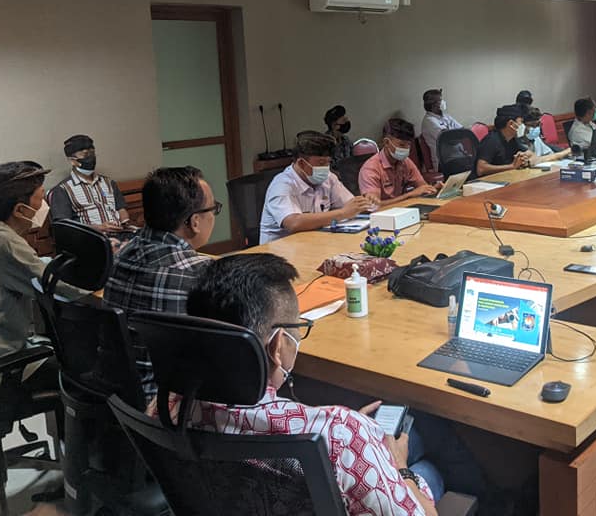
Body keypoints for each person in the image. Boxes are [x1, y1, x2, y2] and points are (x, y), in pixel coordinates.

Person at [174, 253, 450, 515]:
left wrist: (357, 437)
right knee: (430, 464)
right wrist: (400, 468)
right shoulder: (342, 432)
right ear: (279, 345)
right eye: (298, 328)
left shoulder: (168, 406)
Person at [103, 166, 217, 394]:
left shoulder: (122, 254)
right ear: (194, 222)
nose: (213, 216)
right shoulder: (200, 276)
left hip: (118, 398)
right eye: (214, 209)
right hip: (166, 404)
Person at [0, 161, 61, 399]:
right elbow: (62, 287)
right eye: (40, 198)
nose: (44, 205)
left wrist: (51, 262)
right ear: (19, 210)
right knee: (87, 372)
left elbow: (27, 267)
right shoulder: (4, 243)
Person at [260, 131, 378, 242]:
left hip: (314, 242)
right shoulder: (282, 185)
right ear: (301, 163)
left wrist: (365, 203)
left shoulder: (328, 178)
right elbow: (293, 223)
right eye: (321, 163)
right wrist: (343, 213)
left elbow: (349, 204)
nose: (326, 168)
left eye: (328, 162)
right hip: (279, 251)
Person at [47, 134, 136, 245]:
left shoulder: (109, 183)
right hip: (92, 240)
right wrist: (100, 228)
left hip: (121, 235)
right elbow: (65, 227)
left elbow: (121, 208)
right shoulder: (62, 190)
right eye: (85, 154)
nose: (90, 157)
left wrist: (124, 222)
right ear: (72, 161)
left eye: (92, 153)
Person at [359, 118, 437, 206]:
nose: (406, 149)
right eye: (402, 145)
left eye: (409, 145)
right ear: (386, 142)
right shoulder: (371, 169)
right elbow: (374, 206)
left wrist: (433, 190)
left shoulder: (405, 162)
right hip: (382, 216)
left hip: (402, 211)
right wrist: (409, 195)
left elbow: (422, 187)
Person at [472, 105, 534, 179]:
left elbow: (531, 154)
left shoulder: (512, 139)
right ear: (511, 124)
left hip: (505, 178)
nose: (523, 126)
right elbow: (481, 169)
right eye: (521, 122)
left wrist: (524, 159)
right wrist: (511, 166)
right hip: (488, 183)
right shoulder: (491, 140)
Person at [420, 89, 463, 171]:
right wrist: (457, 136)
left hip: (458, 156)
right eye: (440, 100)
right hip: (444, 161)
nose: (443, 102)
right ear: (432, 104)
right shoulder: (429, 121)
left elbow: (463, 131)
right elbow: (448, 139)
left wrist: (457, 136)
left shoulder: (446, 116)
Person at [323, 105, 352, 170]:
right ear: (334, 125)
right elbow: (325, 167)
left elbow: (352, 161)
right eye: (342, 118)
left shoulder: (346, 140)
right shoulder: (324, 142)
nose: (346, 119)